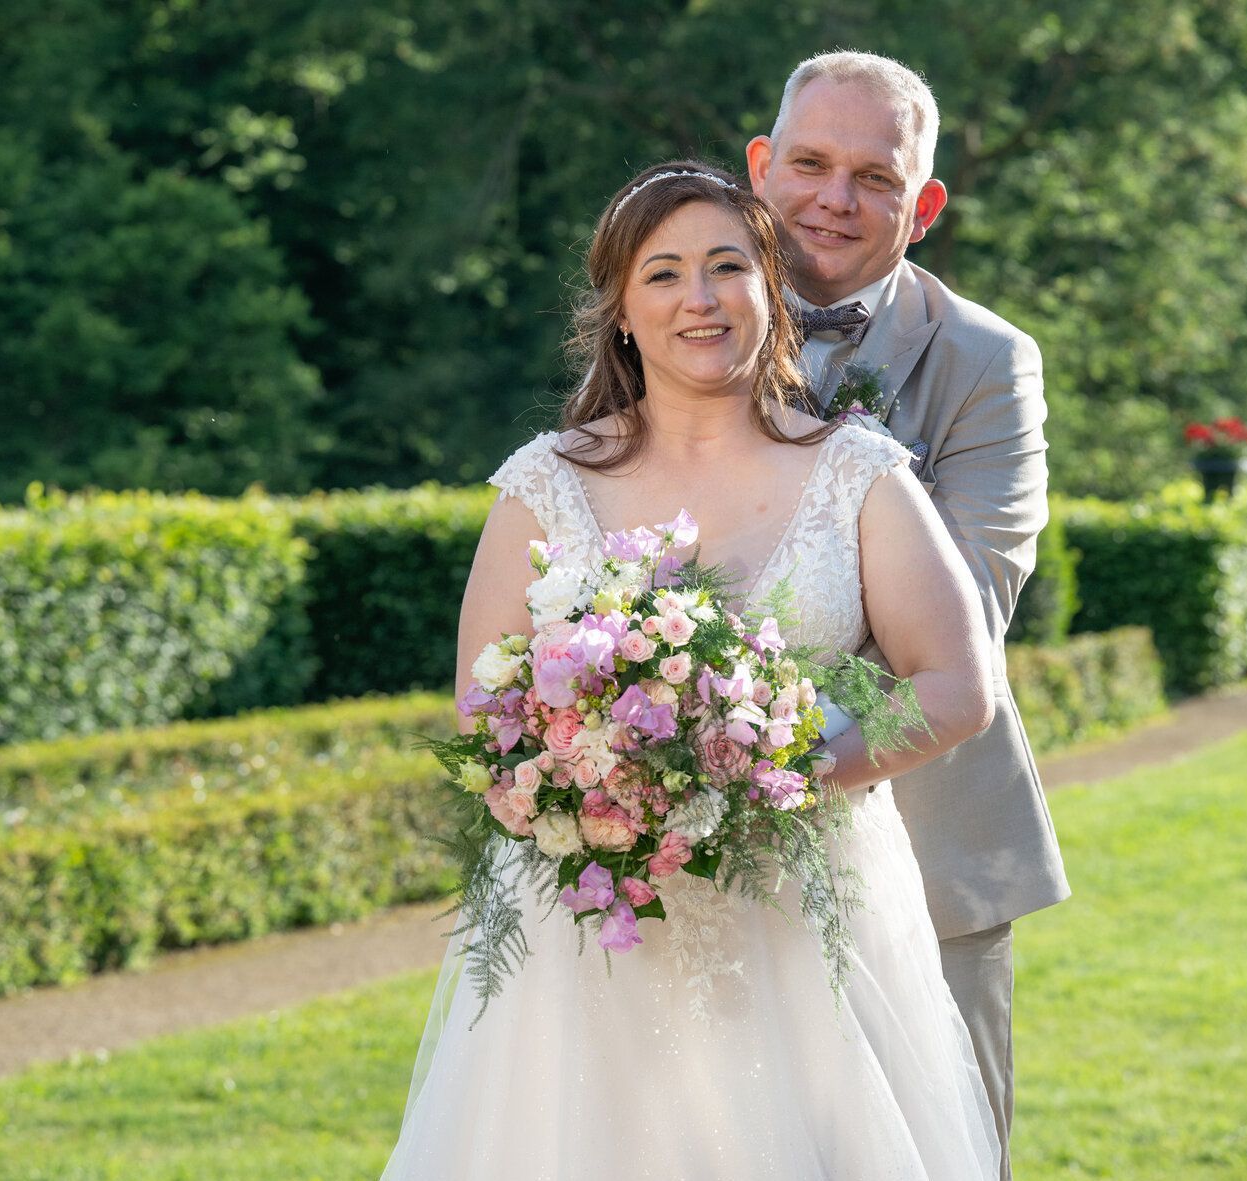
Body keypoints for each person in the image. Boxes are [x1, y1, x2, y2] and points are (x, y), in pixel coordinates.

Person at [377, 161, 1002, 1179]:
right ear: (621, 311)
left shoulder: (859, 472)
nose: (700, 299)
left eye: (727, 266)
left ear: (771, 289)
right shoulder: (548, 482)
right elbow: (485, 708)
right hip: (595, 930)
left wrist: (778, 778)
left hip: (814, 910)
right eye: (663, 274)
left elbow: (953, 687)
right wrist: (605, 792)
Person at [747, 51, 1070, 1177]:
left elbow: (966, 612)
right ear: (760, 167)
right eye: (810, 163)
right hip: (692, 873)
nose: (835, 198)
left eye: (875, 178)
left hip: (926, 850)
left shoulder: (987, 362)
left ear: (922, 207)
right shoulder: (665, 329)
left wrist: (730, 731)